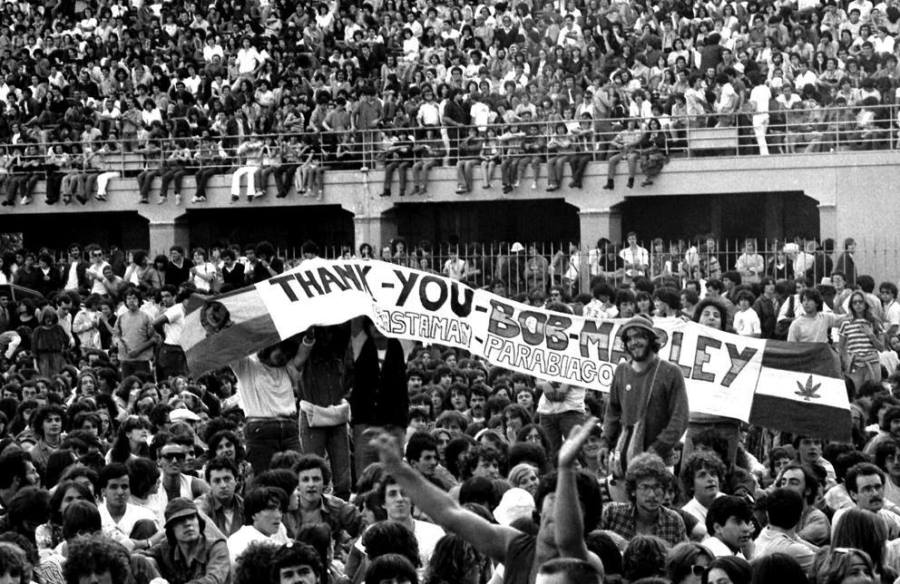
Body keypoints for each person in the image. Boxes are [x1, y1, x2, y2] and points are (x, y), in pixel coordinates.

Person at [600, 314, 689, 481]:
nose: (634, 342)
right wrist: (606, 443)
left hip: (659, 461)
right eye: (629, 338)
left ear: (651, 339)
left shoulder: (670, 372)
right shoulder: (621, 371)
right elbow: (612, 412)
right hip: (624, 462)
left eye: (640, 336)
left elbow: (680, 418)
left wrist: (657, 449)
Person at [229, 336, 312, 474]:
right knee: (267, 480)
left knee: (297, 476)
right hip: (261, 431)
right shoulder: (247, 365)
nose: (284, 357)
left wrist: (308, 338)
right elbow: (231, 348)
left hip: (289, 430)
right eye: (282, 351)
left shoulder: (287, 369)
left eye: (288, 354)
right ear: (271, 345)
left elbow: (302, 355)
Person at [599, 452, 687, 547]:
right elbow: (591, 537)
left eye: (657, 487)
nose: (652, 495)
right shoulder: (612, 513)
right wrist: (621, 543)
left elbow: (680, 559)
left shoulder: (673, 521)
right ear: (633, 490)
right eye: (645, 487)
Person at [143, 498, 230, 584]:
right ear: (171, 529)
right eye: (180, 520)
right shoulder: (167, 547)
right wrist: (156, 577)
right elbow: (138, 557)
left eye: (191, 517)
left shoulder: (217, 547)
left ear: (199, 521)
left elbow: (213, 580)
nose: (188, 523)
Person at [753, 488, 818, 573]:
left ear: (767, 514)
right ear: (800, 516)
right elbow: (831, 566)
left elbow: (794, 538)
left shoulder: (764, 533)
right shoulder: (792, 550)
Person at [227, 487, 291, 563]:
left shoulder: (279, 528)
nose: (278, 515)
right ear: (254, 514)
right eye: (270, 509)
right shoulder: (240, 542)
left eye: (280, 510)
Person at [196, 457, 244, 537]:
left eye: (227, 479)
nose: (223, 485)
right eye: (217, 481)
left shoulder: (245, 506)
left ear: (236, 480)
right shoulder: (200, 507)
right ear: (209, 484)